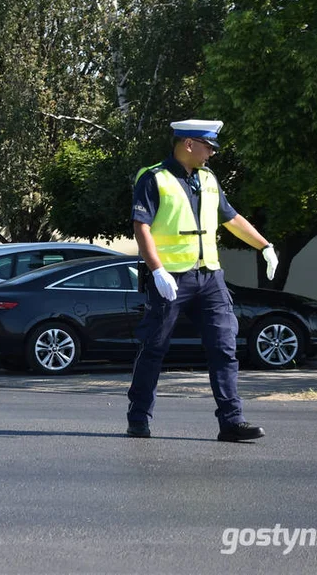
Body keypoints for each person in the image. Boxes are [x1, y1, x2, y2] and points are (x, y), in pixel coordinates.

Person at [126, 119, 278, 442]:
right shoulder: (154, 178)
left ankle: (231, 422)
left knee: (224, 347)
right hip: (170, 278)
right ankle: (138, 417)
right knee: (154, 347)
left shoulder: (208, 179)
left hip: (210, 278)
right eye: (208, 146)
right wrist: (156, 270)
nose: (211, 153)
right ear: (189, 144)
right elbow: (141, 227)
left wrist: (265, 246)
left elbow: (231, 218)